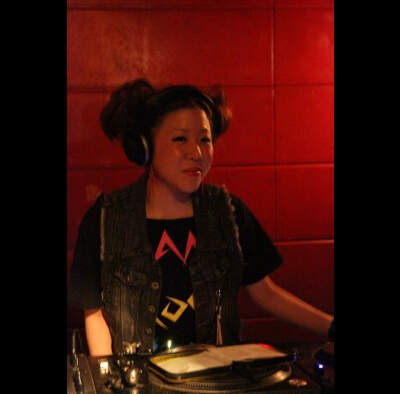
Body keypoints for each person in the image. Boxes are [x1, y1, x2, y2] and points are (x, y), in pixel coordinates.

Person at [67, 78, 334, 356]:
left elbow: (266, 293)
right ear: (145, 147)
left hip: (217, 375)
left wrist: (331, 326)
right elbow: (94, 314)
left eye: (204, 139)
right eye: (180, 139)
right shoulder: (105, 219)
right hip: (138, 376)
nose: (196, 153)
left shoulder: (229, 213)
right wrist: (109, 375)